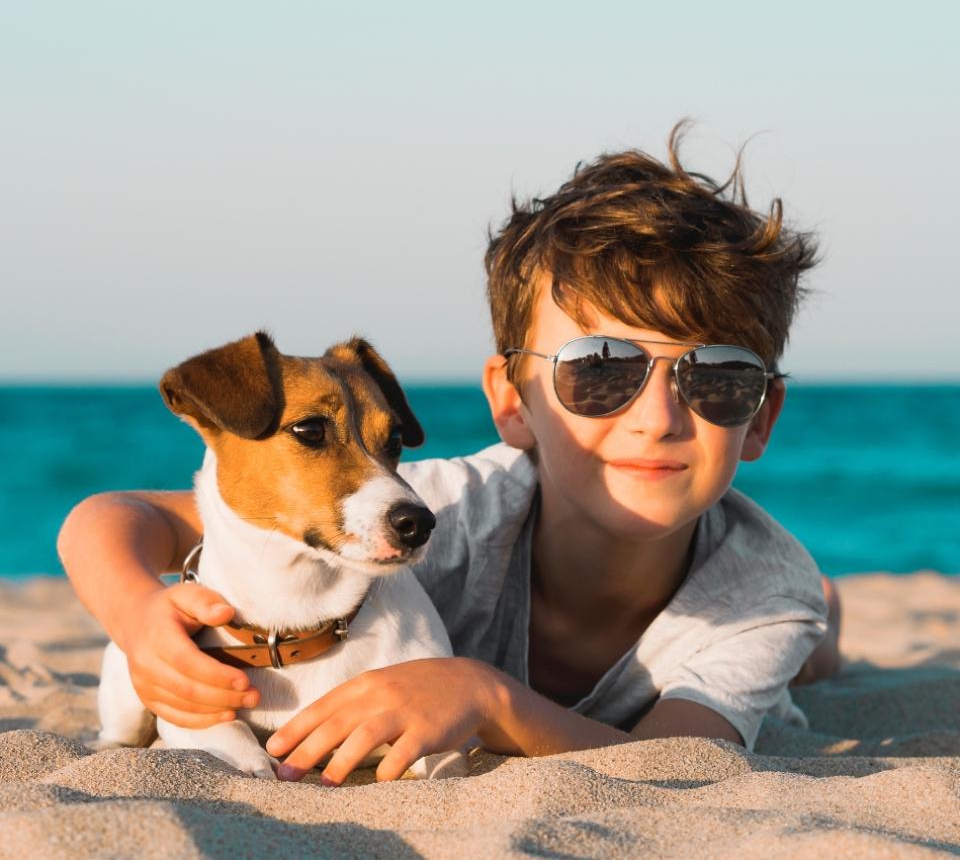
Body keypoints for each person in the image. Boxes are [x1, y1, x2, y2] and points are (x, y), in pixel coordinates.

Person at [58, 124, 841, 786]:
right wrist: (137, 613)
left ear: (762, 416)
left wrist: (488, 698)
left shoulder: (761, 591)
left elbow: (677, 768)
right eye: (601, 370)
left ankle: (823, 630)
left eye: (719, 378)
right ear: (511, 400)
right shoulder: (446, 510)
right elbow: (115, 516)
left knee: (800, 650)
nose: (660, 417)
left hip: (743, 641)